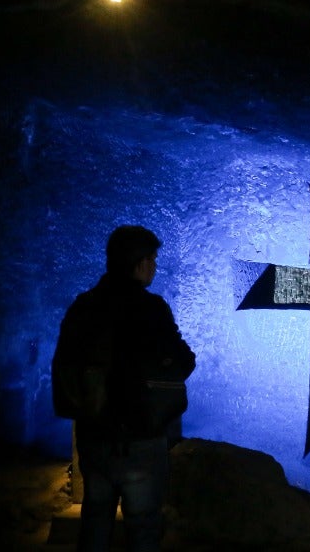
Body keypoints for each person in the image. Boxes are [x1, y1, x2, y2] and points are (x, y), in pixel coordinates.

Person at [51, 225, 197, 552]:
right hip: (141, 441)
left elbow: (65, 365)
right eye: (153, 259)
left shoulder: (83, 307)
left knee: (95, 522)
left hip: (94, 438)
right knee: (143, 529)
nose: (155, 267)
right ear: (141, 262)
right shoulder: (151, 309)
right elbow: (183, 361)